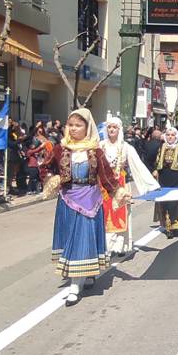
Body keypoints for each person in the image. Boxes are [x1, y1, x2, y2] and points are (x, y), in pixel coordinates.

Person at [45, 108, 127, 305]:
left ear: (87, 127)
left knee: (82, 239)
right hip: (67, 199)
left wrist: (118, 192)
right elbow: (46, 167)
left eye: (78, 125)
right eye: (71, 125)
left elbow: (106, 176)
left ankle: (75, 286)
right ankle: (86, 272)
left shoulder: (95, 151)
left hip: (90, 199)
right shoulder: (60, 149)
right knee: (71, 239)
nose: (73, 129)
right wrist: (52, 178)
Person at [101, 116, 159, 255]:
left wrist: (151, 185)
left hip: (120, 185)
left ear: (119, 129)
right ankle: (105, 247)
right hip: (103, 187)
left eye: (114, 127)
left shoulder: (126, 147)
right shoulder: (100, 146)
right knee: (105, 215)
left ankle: (120, 246)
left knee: (120, 214)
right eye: (109, 127)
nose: (111, 130)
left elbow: (138, 166)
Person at [152, 126, 178, 238]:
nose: (170, 137)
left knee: (175, 203)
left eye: (172, 135)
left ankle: (175, 225)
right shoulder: (161, 147)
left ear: (176, 137)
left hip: (177, 179)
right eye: (168, 135)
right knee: (165, 202)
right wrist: (155, 170)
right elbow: (156, 161)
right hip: (163, 179)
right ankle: (168, 226)